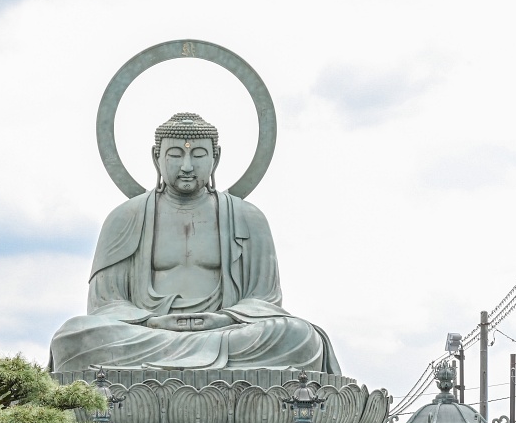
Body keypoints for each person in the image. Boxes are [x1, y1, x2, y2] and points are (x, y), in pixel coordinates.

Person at [49, 113, 340, 375]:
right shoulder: (125, 217)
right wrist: (152, 322)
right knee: (75, 335)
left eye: (199, 155)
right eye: (175, 155)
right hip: (148, 335)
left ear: (216, 158)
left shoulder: (248, 217)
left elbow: (265, 301)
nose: (187, 166)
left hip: (227, 333)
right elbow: (105, 304)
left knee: (299, 336)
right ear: (156, 157)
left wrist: (223, 320)